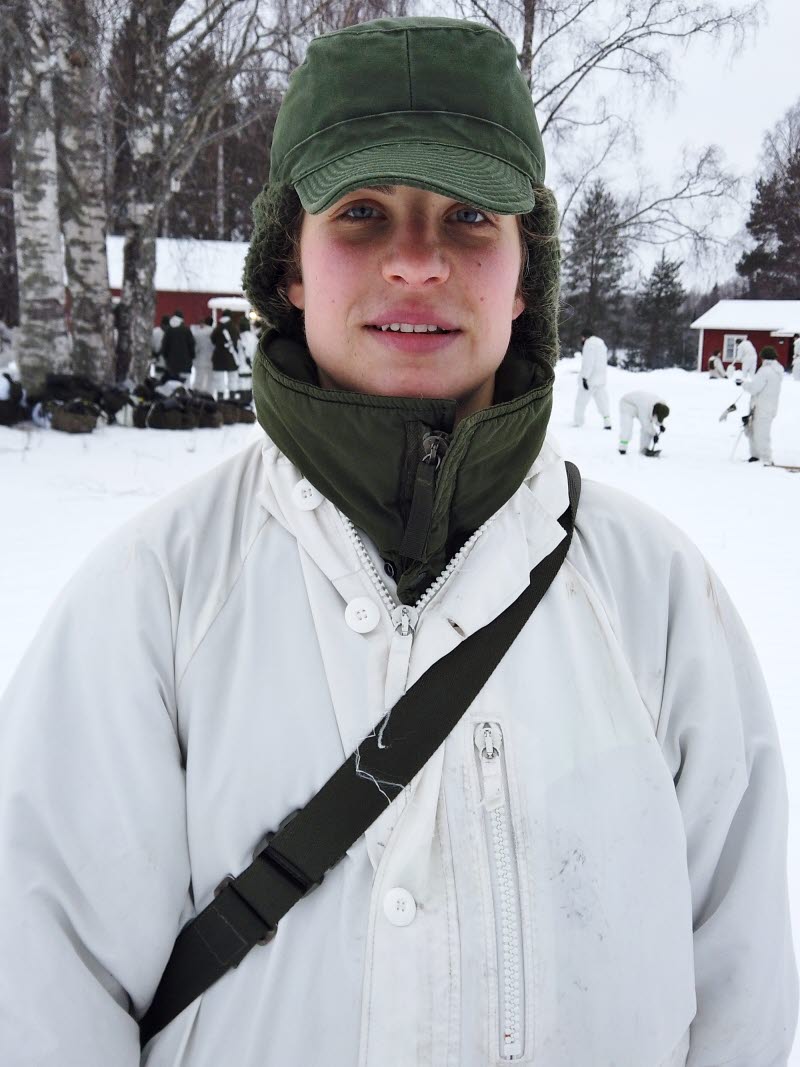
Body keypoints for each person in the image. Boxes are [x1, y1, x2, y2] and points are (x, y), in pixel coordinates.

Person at [0, 16, 795, 1067]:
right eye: (362, 213)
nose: (416, 262)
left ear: (524, 276)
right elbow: (45, 995)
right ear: (289, 266)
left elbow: (740, 990)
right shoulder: (153, 601)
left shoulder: (658, 601)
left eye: (468, 215)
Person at [741, 345, 784, 465]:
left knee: (760, 433)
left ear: (764, 358)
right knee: (755, 431)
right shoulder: (777, 370)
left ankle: (766, 458)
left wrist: (744, 385)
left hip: (761, 407)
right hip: (769, 406)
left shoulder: (765, 371)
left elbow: (754, 388)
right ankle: (755, 456)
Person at [573, 327, 611, 428]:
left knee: (580, 403)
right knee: (602, 402)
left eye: (582, 338)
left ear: (585, 337)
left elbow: (588, 363)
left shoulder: (589, 344)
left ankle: (578, 422)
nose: (581, 340)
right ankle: (608, 422)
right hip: (600, 379)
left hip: (590, 380)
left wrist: (585, 378)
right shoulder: (601, 344)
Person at [618, 390, 669, 455]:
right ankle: (622, 448)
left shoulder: (659, 406)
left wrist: (660, 425)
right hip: (627, 404)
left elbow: (656, 417)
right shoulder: (645, 407)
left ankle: (644, 449)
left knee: (648, 430)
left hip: (638, 404)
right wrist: (655, 434)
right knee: (627, 427)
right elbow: (646, 425)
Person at [160, 309, 196, 384]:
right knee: (185, 385)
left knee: (173, 384)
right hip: (185, 363)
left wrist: (167, 359)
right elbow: (191, 345)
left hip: (172, 364)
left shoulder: (169, 330)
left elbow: (164, 347)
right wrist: (192, 357)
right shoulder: (186, 330)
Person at [210, 309, 239, 398]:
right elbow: (236, 340)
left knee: (219, 379)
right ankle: (232, 398)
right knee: (233, 378)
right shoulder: (234, 327)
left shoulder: (218, 327)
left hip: (219, 356)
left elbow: (212, 339)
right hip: (231, 356)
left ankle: (220, 398)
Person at [191, 315, 215, 394]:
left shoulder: (198, 333)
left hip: (200, 359)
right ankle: (209, 394)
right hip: (211, 360)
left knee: (199, 378)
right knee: (210, 379)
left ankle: (197, 393)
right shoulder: (214, 332)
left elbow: (195, 347)